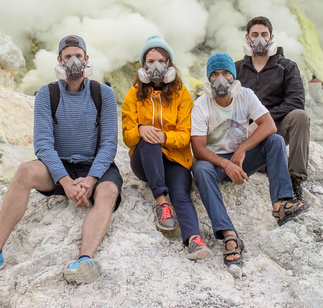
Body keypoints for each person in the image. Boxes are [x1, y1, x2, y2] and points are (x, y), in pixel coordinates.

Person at [0, 35, 122, 285]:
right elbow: (42, 145)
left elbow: (108, 144)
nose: (73, 61)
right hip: (59, 165)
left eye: (78, 56)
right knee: (25, 170)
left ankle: (84, 260)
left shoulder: (102, 93)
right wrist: (66, 181)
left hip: (94, 166)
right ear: (59, 60)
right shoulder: (46, 94)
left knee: (108, 193)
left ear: (87, 60)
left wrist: (91, 179)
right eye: (68, 56)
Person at [192, 53, 307, 266]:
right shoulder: (201, 105)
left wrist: (243, 148)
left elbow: (269, 125)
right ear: (208, 80)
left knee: (275, 141)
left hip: (242, 158)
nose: (220, 79)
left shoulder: (245, 95)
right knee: (199, 168)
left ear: (234, 77)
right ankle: (228, 234)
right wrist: (225, 163)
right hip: (217, 164)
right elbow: (198, 148)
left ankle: (280, 204)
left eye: (226, 73)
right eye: (214, 74)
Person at [121, 35, 212, 261]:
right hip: (144, 160)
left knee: (181, 195)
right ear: (143, 66)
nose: (156, 67)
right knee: (148, 137)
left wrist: (164, 137)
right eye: (150, 62)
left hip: (175, 159)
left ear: (170, 65)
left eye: (161, 61)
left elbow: (185, 137)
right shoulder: (134, 94)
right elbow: (127, 136)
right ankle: (162, 203)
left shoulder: (182, 94)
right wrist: (141, 130)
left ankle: (194, 240)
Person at [235, 16, 309, 199]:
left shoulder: (287, 67)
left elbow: (296, 101)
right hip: (246, 134)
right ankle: (264, 162)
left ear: (271, 37)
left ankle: (295, 179)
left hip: (276, 128)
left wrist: (264, 120)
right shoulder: (236, 69)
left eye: (264, 34)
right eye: (255, 35)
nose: (259, 39)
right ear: (247, 38)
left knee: (300, 116)